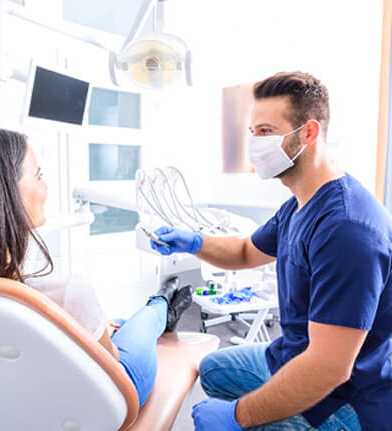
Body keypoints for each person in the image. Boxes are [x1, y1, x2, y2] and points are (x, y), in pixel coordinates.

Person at [151, 72, 392, 430]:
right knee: (211, 371)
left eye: (265, 132)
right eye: (253, 133)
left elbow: (329, 367)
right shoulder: (299, 204)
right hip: (294, 355)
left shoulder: (347, 229)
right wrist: (195, 242)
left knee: (242, 418)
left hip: (346, 398)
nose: (254, 144)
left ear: (308, 133)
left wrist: (238, 417)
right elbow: (248, 251)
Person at [0, 127, 193, 410]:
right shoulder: (68, 293)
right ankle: (162, 305)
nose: (46, 188)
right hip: (102, 407)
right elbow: (112, 372)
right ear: (4, 193)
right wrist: (96, 331)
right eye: (38, 175)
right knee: (143, 326)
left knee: (120, 325)